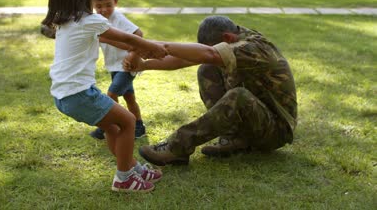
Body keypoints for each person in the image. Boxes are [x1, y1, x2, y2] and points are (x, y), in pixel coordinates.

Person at [42, 0, 164, 192]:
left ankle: (132, 167)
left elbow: (119, 42)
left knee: (113, 127)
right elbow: (127, 37)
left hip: (63, 95)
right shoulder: (89, 20)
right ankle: (124, 178)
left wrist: (139, 50)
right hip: (78, 94)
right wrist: (153, 47)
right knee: (128, 121)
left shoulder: (64, 21)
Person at [124, 16, 297, 166]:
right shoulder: (234, 38)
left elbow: (209, 53)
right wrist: (145, 64)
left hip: (276, 131)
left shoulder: (254, 48)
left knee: (238, 96)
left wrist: (155, 46)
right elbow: (183, 60)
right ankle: (234, 139)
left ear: (227, 37)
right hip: (258, 122)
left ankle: (177, 146)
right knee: (207, 69)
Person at [89, 0, 146, 140]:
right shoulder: (96, 20)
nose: (104, 10)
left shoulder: (118, 18)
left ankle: (110, 125)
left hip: (127, 67)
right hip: (114, 66)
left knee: (111, 94)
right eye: (99, 6)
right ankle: (139, 126)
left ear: (116, 2)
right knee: (129, 98)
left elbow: (138, 34)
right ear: (92, 4)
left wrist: (133, 55)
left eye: (108, 5)